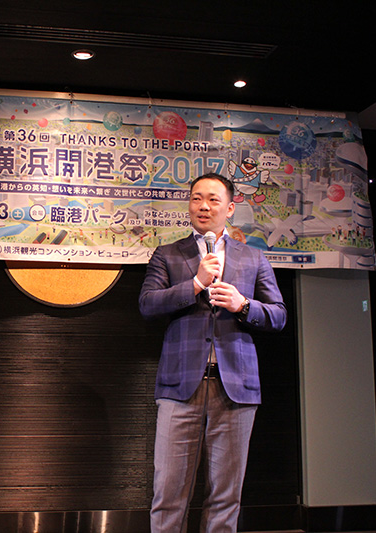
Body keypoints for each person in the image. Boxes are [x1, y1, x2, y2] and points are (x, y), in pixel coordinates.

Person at [139, 173, 287, 533]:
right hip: (180, 386)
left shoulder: (253, 257)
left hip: (235, 387)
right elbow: (147, 304)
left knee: (225, 496)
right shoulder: (168, 254)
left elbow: (278, 315)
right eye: (196, 198)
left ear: (230, 208)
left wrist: (242, 304)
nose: (203, 206)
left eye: (213, 199)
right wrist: (195, 284)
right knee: (168, 492)